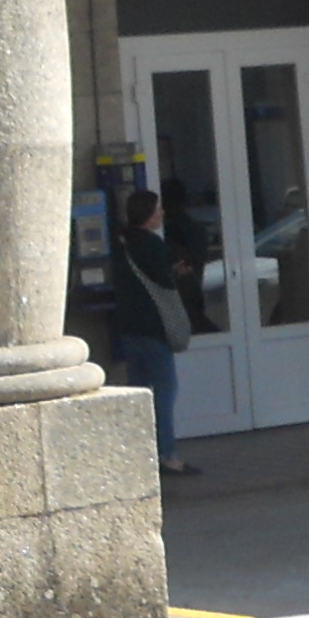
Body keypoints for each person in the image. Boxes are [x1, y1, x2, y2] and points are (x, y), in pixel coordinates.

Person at [106, 186, 200, 475]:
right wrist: (179, 273)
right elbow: (164, 281)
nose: (161, 213)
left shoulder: (123, 244)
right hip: (153, 330)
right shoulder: (152, 244)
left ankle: (141, 455)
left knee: (139, 394)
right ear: (148, 216)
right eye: (157, 209)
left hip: (129, 329)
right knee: (164, 393)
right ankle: (168, 455)